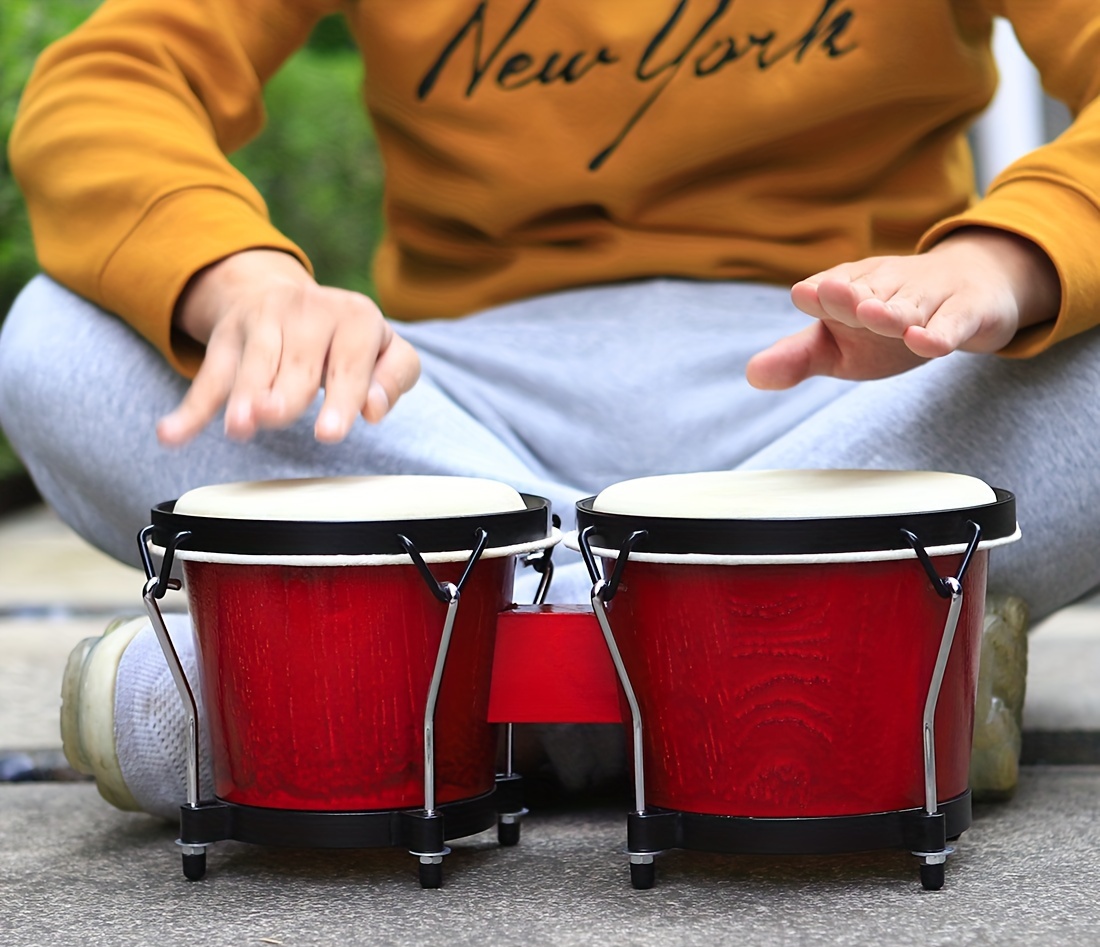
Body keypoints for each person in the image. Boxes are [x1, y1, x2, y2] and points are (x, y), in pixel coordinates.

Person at [2, 0, 1099, 813]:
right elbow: (109, 79)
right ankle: (825, 683)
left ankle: (383, 693)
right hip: (458, 428)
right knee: (57, 342)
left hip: (852, 403)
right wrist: (239, 277)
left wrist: (1013, 254)